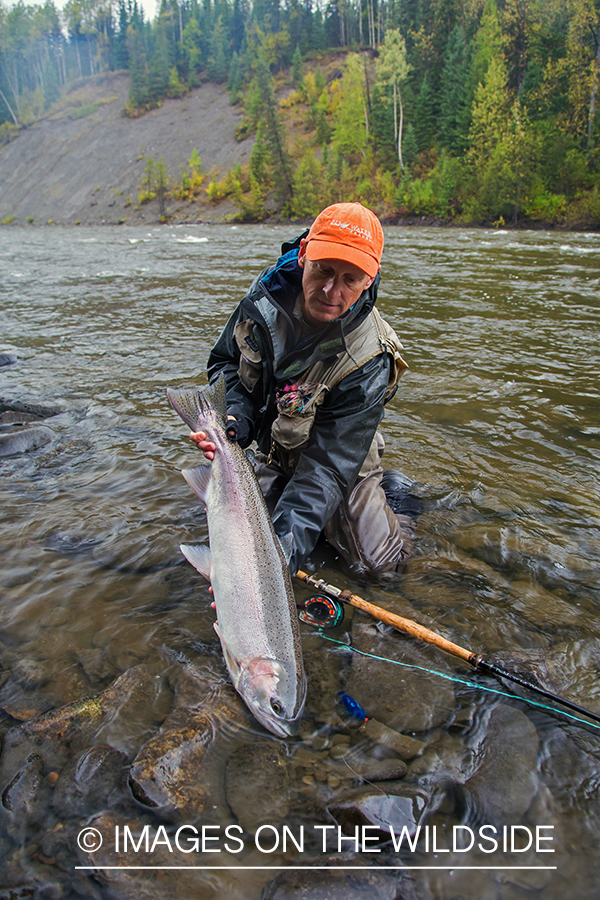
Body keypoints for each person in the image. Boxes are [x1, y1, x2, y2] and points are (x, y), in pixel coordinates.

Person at [191, 201, 419, 577]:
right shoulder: (263, 302)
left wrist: (276, 563)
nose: (331, 291)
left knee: (378, 567)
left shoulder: (370, 356)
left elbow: (326, 470)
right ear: (303, 256)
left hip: (339, 465)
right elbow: (226, 362)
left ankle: (398, 497)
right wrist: (236, 416)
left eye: (350, 280)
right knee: (235, 541)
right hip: (277, 453)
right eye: (323, 270)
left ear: (370, 280)